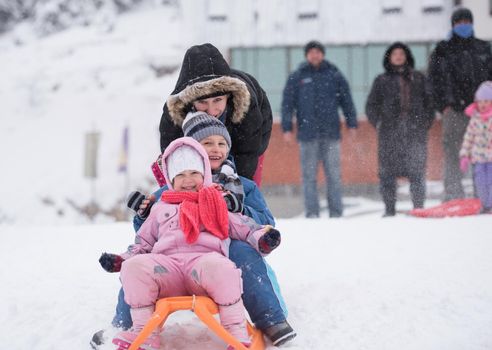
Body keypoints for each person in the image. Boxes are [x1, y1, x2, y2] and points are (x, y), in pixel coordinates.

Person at [93, 114, 296, 349]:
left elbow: (262, 223)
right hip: (170, 262)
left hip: (221, 254)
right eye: (206, 143)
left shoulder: (242, 185)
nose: (215, 149)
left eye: (221, 143)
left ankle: (268, 321)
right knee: (137, 267)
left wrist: (240, 208)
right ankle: (126, 326)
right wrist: (143, 213)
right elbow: (148, 236)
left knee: (241, 253)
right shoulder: (167, 194)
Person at [159, 43, 273, 185]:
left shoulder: (245, 105)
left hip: (249, 137)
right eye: (202, 102)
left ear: (228, 96)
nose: (211, 111)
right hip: (201, 141)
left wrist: (239, 193)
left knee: (245, 188)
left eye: (217, 100)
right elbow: (172, 159)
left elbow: (247, 154)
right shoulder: (175, 112)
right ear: (190, 101)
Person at [281, 40, 358, 218]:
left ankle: (336, 213)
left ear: (322, 54)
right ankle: (312, 213)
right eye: (311, 52)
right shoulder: (298, 76)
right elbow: (287, 104)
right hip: (307, 135)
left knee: (334, 176)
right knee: (309, 177)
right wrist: (286, 128)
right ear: (307, 55)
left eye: (318, 52)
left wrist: (351, 122)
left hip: (331, 134)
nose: (315, 55)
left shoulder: (334, 75)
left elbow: (347, 100)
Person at [428, 7, 492, 201]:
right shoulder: (442, 50)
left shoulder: (484, 48)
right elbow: (432, 81)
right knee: (453, 154)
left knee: (484, 154)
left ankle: (484, 194)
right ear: (453, 25)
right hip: (453, 111)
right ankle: (454, 195)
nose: (463, 25)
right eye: (459, 23)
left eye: (467, 22)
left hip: (482, 112)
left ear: (472, 24)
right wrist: (443, 106)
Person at [366, 42, 435, 216]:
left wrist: (425, 123)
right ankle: (389, 210)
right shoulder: (381, 80)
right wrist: (379, 123)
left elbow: (429, 103)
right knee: (387, 173)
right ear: (389, 58)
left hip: (415, 132)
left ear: (407, 57)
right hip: (389, 133)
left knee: (417, 171)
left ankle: (418, 208)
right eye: (395, 54)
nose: (398, 56)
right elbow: (371, 106)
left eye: (401, 54)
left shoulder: (418, 78)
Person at [459, 81, 492, 213]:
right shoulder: (475, 119)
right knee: (480, 182)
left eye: (486, 101)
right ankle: (485, 204)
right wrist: (464, 155)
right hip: (478, 157)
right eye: (480, 101)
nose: (483, 104)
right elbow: (469, 137)